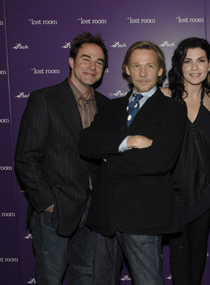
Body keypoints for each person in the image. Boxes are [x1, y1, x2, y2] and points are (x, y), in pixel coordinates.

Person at [79, 41, 187, 285]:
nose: (142, 72)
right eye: (136, 65)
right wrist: (129, 141)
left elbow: (161, 160)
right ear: (126, 69)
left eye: (149, 66)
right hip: (105, 214)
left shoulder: (173, 110)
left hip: (143, 217)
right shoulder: (110, 106)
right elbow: (86, 143)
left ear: (160, 70)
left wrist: (109, 159)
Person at [14, 32, 108, 284]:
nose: (92, 66)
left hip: (94, 211)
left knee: (86, 277)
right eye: (86, 59)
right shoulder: (44, 99)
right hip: (55, 210)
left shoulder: (107, 106)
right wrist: (47, 203)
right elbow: (26, 157)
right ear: (71, 61)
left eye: (99, 62)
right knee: (51, 279)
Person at [164, 37, 210, 285]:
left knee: (199, 253)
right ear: (179, 65)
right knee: (178, 254)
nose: (194, 67)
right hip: (173, 192)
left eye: (200, 60)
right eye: (188, 61)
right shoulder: (165, 96)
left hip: (204, 192)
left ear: (209, 64)